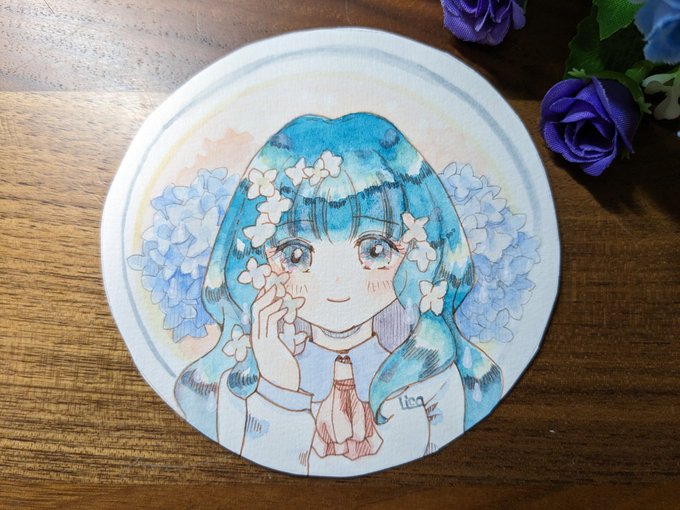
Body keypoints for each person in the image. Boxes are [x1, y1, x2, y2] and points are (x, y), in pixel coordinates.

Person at [175, 112, 502, 476]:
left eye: (375, 250)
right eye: (296, 255)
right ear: (257, 258)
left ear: (417, 252)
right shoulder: (239, 386)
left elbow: (429, 474)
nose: (336, 285)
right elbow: (255, 480)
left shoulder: (431, 374)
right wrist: (278, 390)